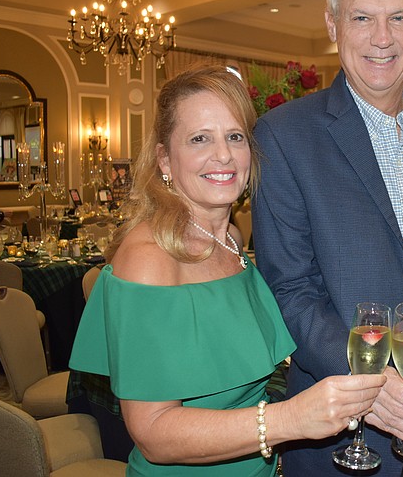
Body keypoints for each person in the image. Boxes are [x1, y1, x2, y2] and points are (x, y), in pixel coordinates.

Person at [69, 65, 385, 476]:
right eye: (200, 138)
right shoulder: (150, 257)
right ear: (165, 157)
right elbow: (153, 432)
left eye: (235, 136)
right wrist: (289, 420)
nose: (224, 155)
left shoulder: (231, 237)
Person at [252, 0, 403, 476]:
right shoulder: (285, 136)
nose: (382, 37)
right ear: (332, 25)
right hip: (347, 414)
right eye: (362, 18)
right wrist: (370, 385)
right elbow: (290, 288)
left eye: (398, 17)